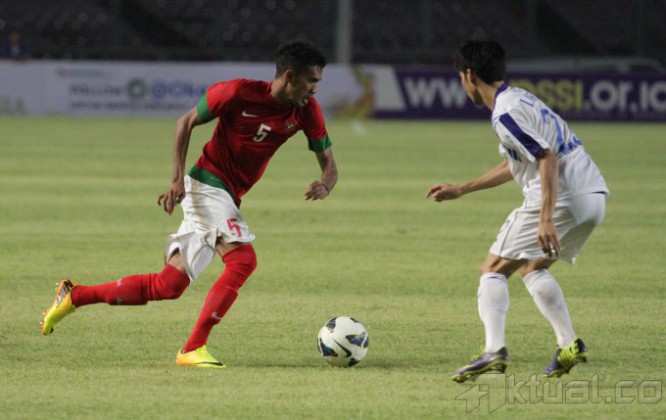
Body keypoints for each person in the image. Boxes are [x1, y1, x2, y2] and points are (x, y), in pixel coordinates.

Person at [41, 40, 338, 368]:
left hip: (228, 195)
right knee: (243, 261)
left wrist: (325, 183)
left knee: (168, 285)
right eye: (311, 81)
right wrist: (176, 180)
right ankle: (193, 348)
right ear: (289, 76)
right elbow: (185, 122)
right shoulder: (237, 93)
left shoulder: (306, 111)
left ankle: (74, 295)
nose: (315, 89)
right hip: (207, 184)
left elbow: (330, 165)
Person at [426, 39, 609, 383]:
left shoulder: (505, 113)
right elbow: (517, 162)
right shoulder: (520, 98)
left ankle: (493, 351)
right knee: (532, 268)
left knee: (492, 269)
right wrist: (462, 188)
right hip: (593, 197)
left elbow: (546, 157)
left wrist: (545, 219)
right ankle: (569, 344)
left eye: (461, 77)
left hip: (563, 197)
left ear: (470, 75)